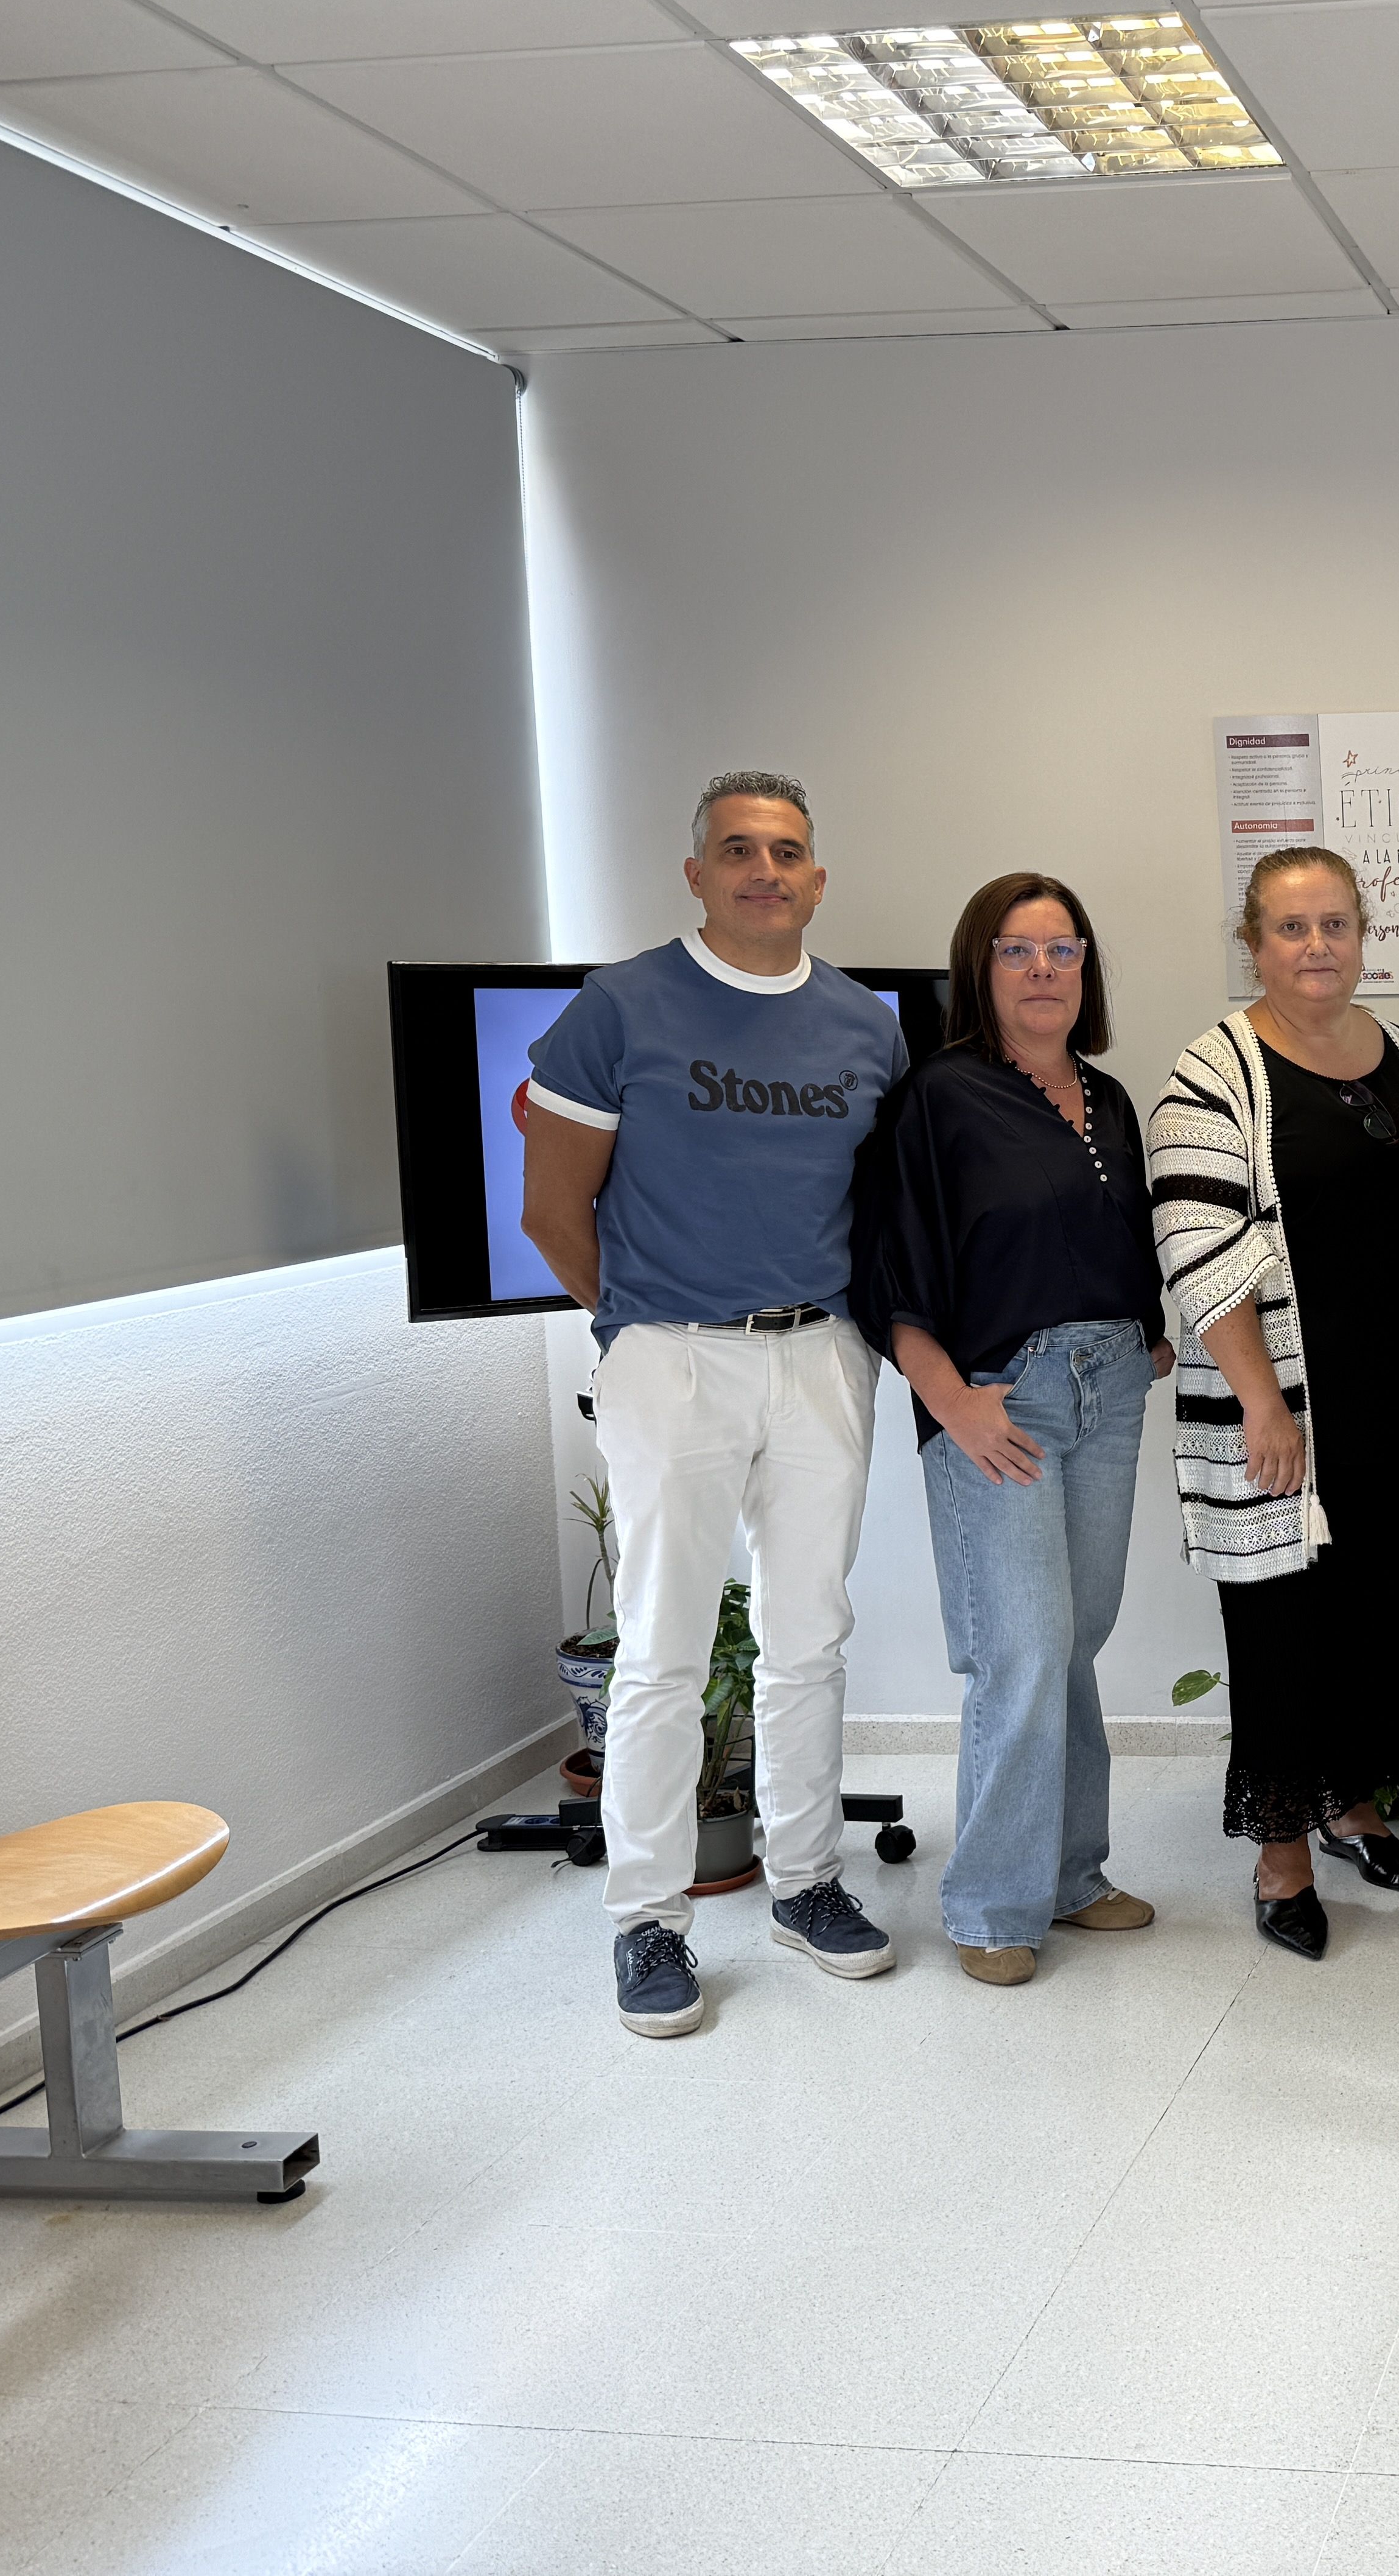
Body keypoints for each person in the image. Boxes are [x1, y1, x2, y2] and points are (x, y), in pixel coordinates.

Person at [520, 769, 908, 2039]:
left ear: (818, 876)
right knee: (663, 1647)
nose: (764, 870)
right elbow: (551, 1210)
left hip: (819, 1358)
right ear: (696, 874)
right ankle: (648, 1921)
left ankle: (807, 1886)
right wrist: (638, 1329)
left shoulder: (865, 1023)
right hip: (672, 1359)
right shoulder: (619, 1008)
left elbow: (885, 1209)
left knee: (810, 1636)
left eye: (788, 850)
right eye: (737, 850)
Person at [863, 872, 1166, 1988]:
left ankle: (1072, 1876)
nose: (1043, 970)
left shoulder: (1112, 1098)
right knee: (1024, 1648)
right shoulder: (940, 1096)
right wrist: (950, 1402)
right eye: (1018, 950)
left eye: (1063, 950)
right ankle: (992, 1903)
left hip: (1113, 1385)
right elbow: (893, 1263)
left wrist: (1146, 1336)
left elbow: (1116, 1242)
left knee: (1074, 1639)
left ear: (1086, 971)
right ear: (977, 968)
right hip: (1003, 1398)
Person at [1148, 847, 1399, 1961]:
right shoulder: (1213, 1071)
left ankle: (1350, 1800)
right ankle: (1281, 1852)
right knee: (1280, 1631)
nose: (1316, 948)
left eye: (1334, 926)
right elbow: (1198, 1246)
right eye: (1290, 929)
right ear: (1253, 943)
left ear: (1363, 934)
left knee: (1379, 1616)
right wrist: (1266, 1407)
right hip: (1284, 1409)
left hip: (1393, 1406)